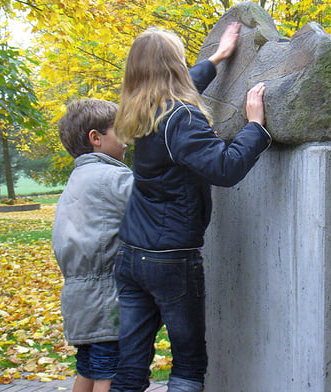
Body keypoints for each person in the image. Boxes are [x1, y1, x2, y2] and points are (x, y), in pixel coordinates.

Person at [109, 23, 271, 392]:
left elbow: (179, 90)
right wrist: (255, 126)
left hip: (132, 256)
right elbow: (225, 168)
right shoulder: (181, 116)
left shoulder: (138, 109)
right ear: (174, 65)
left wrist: (216, 59)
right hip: (170, 261)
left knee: (130, 367)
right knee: (188, 366)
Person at [52, 98, 133, 392]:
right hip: (106, 297)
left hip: (80, 298)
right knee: (112, 374)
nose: (127, 140)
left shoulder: (77, 180)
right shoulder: (113, 177)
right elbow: (155, 204)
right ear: (96, 138)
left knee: (89, 369)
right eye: (120, 131)